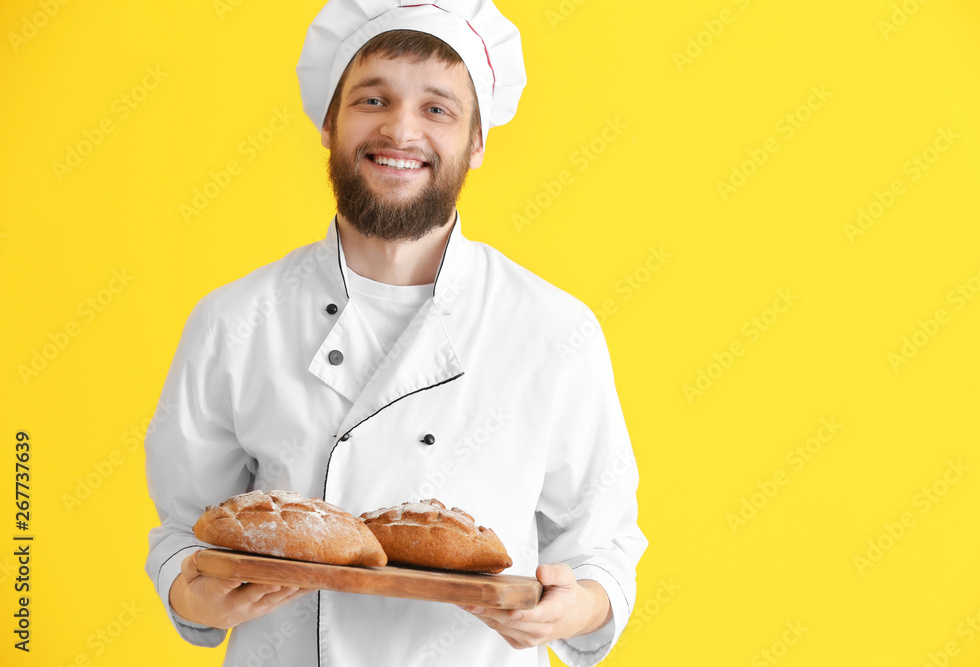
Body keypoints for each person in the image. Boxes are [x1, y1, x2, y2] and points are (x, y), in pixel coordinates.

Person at [144, 1, 646, 665]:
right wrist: (191, 596)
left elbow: (601, 546)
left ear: (477, 140)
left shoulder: (553, 329)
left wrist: (571, 606)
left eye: (437, 108)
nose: (400, 130)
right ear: (329, 122)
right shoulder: (236, 319)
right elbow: (184, 527)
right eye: (372, 98)